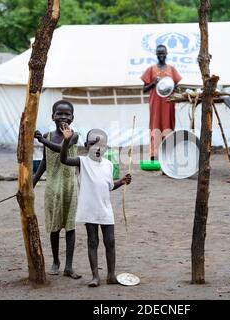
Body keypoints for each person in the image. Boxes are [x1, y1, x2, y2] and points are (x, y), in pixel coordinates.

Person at [59, 125, 132, 287]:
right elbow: (63, 159)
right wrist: (66, 141)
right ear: (86, 146)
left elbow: (108, 186)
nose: (98, 149)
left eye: (102, 145)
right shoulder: (81, 162)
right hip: (89, 209)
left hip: (105, 209)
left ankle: (111, 275)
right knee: (93, 241)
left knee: (110, 241)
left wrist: (122, 181)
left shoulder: (108, 165)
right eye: (93, 144)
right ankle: (95, 276)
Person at [33, 100, 81, 279]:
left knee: (70, 226)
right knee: (54, 227)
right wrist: (33, 181)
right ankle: (55, 261)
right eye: (59, 113)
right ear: (52, 116)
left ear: (72, 118)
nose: (63, 117)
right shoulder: (47, 135)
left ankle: (68, 266)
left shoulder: (73, 136)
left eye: (67, 114)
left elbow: (61, 149)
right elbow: (45, 162)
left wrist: (42, 140)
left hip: (69, 186)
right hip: (52, 187)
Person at [141, 44, 182, 160]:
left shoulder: (171, 69)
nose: (161, 56)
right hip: (155, 104)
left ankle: (168, 154)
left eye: (163, 54)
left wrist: (174, 88)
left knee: (168, 125)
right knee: (155, 126)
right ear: (156, 55)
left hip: (168, 103)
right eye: (159, 54)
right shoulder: (151, 69)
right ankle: (154, 155)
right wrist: (153, 83)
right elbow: (144, 89)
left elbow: (177, 87)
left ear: (167, 54)